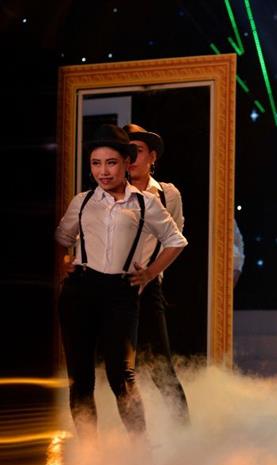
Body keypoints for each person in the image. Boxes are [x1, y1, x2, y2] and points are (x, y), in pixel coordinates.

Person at [55, 124, 187, 440]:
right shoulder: (82, 201)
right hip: (80, 291)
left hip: (123, 292)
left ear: (126, 162)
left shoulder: (147, 201)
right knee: (80, 379)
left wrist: (151, 272)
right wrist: (63, 264)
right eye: (96, 163)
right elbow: (61, 237)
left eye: (111, 162)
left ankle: (143, 448)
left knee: (123, 375)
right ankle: (89, 450)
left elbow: (176, 240)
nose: (103, 171)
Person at [123, 123, 190, 425]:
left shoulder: (167, 194)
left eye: (136, 151)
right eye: (124, 152)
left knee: (161, 368)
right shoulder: (110, 193)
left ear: (152, 156)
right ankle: (134, 438)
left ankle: (183, 433)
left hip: (148, 289)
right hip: (111, 288)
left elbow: (175, 240)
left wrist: (151, 272)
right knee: (122, 371)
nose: (130, 159)